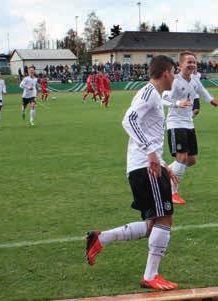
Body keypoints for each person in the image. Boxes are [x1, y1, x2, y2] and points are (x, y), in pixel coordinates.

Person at [86, 55, 183, 291]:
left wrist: (162, 164)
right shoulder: (149, 92)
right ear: (166, 72)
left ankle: (100, 238)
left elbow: (149, 134)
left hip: (147, 166)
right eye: (174, 71)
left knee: (153, 223)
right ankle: (151, 275)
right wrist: (151, 155)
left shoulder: (154, 95)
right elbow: (128, 120)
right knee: (164, 218)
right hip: (144, 167)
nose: (176, 76)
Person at [163, 51, 218, 205]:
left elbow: (202, 91)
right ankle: (172, 192)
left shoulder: (194, 80)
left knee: (191, 160)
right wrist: (177, 103)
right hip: (175, 123)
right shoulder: (174, 80)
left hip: (189, 123)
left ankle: (164, 172)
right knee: (181, 157)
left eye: (194, 62)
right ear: (180, 65)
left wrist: (211, 100)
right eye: (188, 62)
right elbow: (164, 98)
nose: (192, 65)